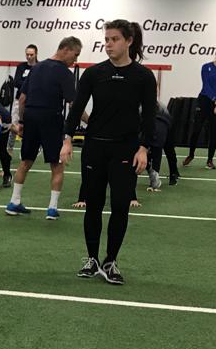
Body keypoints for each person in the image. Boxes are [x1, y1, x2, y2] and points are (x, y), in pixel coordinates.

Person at [65, 20, 156, 285]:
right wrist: (67, 139)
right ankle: (92, 259)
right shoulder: (94, 74)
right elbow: (76, 108)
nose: (108, 44)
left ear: (129, 41)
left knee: (120, 207)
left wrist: (144, 148)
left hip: (126, 149)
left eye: (114, 39)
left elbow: (150, 116)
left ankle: (110, 261)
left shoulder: (143, 76)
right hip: (94, 148)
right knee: (92, 205)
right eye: (106, 39)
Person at [7, 36, 82, 221]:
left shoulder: (36, 68)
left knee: (25, 161)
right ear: (66, 49)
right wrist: (92, 120)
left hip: (31, 117)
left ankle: (14, 202)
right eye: (75, 54)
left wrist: (22, 122)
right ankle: (52, 208)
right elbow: (74, 105)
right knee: (57, 165)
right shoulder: (65, 73)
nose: (76, 60)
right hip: (51, 119)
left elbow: (22, 99)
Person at [184, 46, 216, 170]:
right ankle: (191, 155)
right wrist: (214, 98)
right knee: (196, 130)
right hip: (204, 101)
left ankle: (210, 160)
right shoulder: (206, 67)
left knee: (214, 133)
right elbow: (206, 85)